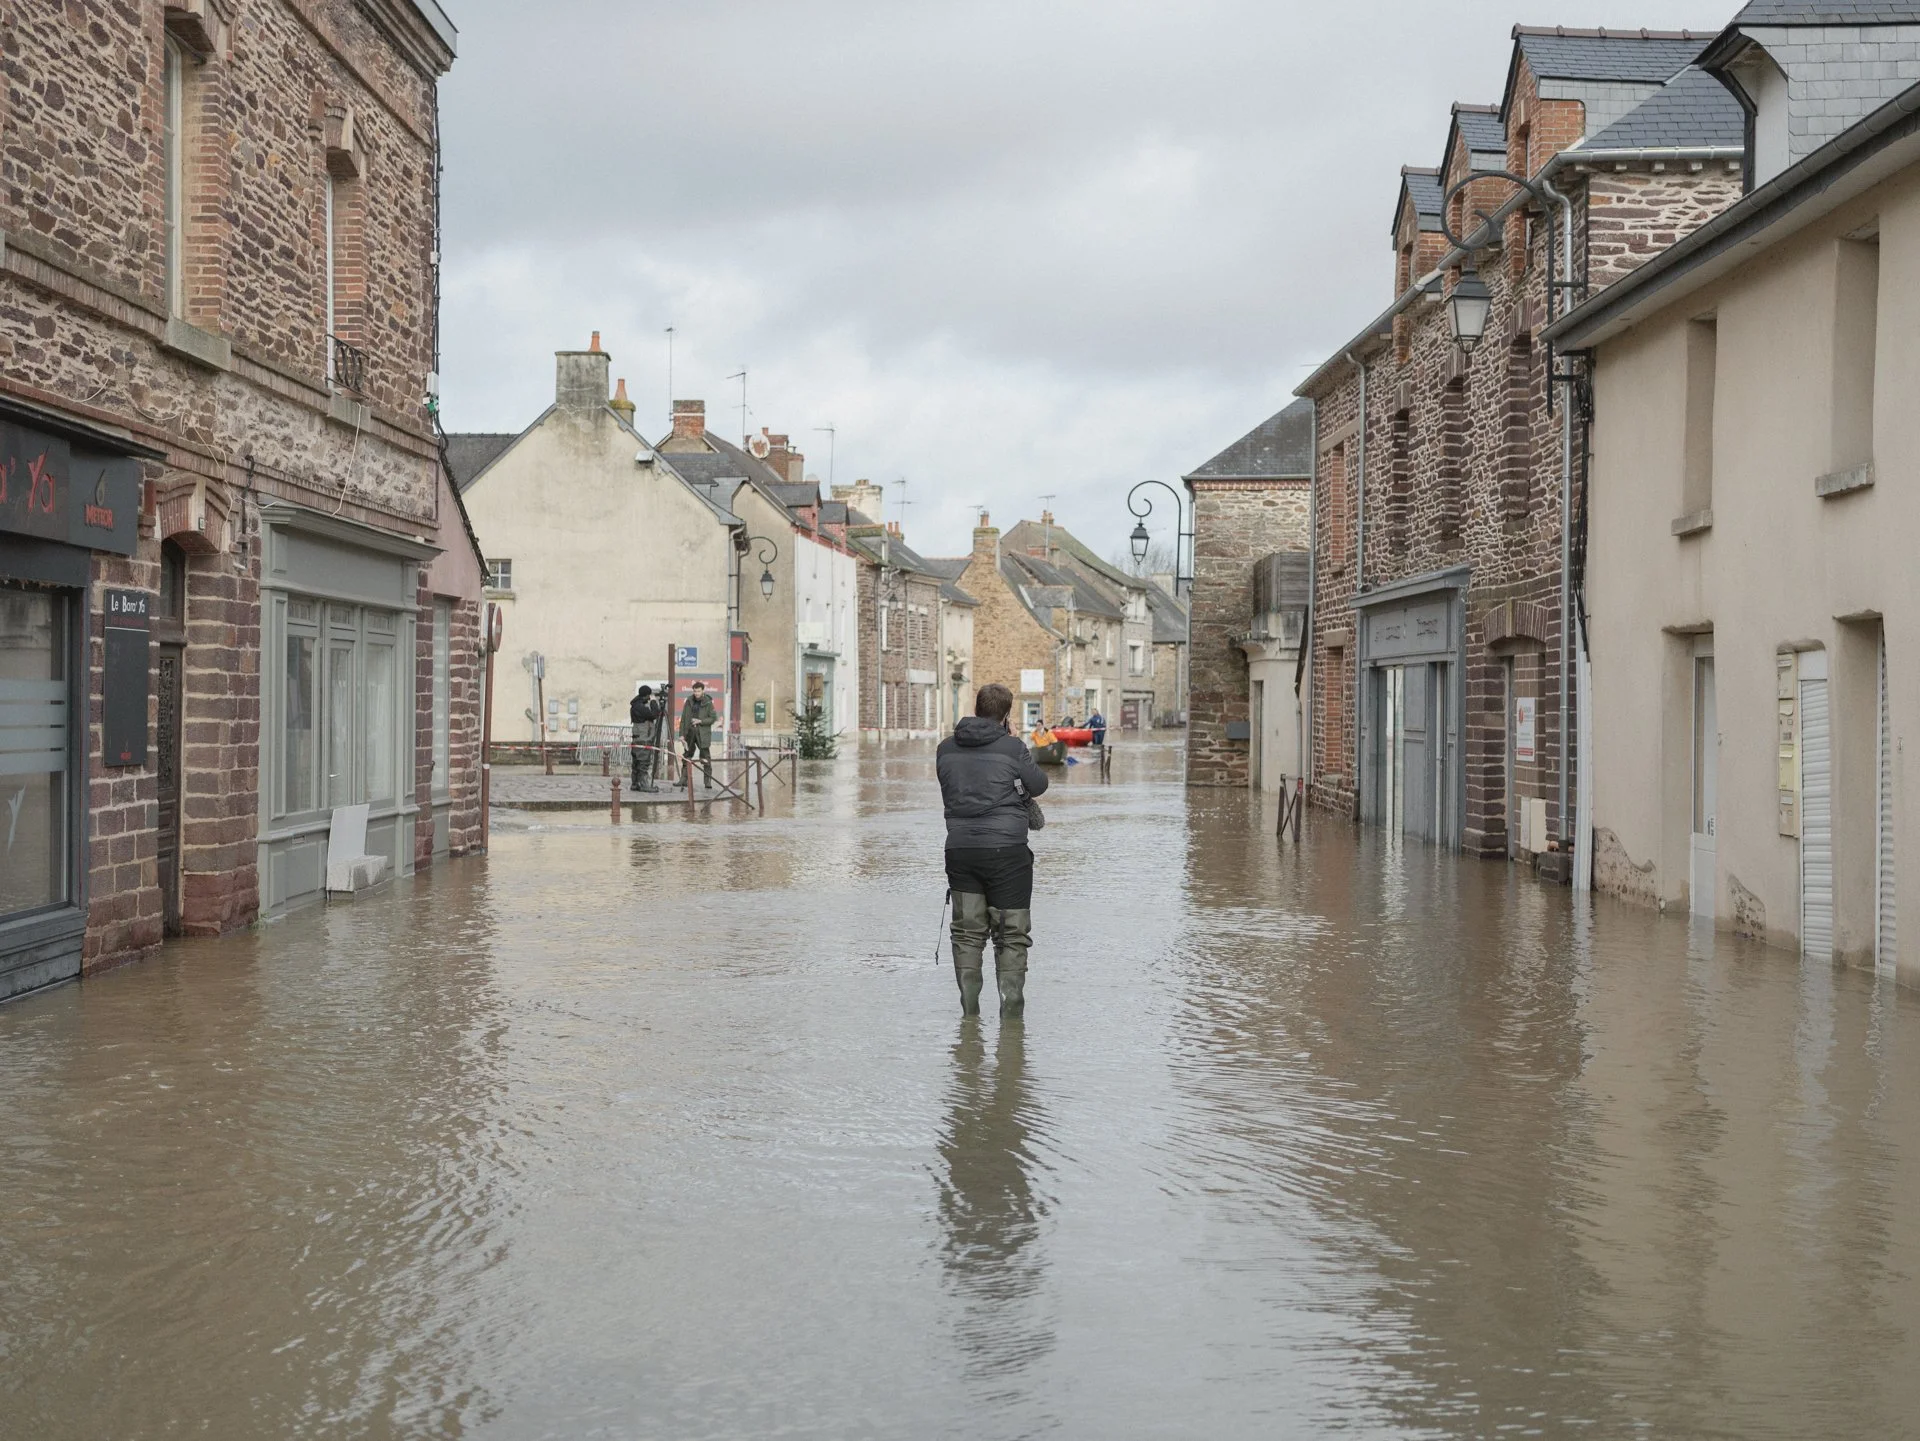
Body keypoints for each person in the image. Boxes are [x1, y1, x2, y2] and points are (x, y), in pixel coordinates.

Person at [936, 682, 1049, 1020]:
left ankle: (969, 1018)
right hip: (1007, 853)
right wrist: (1015, 741)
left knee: (967, 934)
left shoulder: (944, 749)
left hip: (960, 849)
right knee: (1011, 934)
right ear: (1006, 715)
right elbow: (1039, 785)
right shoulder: (1012, 748)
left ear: (976, 706)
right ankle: (1011, 1024)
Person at [679, 680, 717, 789]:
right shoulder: (689, 701)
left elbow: (713, 718)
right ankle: (683, 780)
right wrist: (681, 734)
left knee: (706, 757)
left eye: (698, 691)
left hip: (702, 733)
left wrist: (700, 721)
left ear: (703, 691)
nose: (696, 693)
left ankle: (707, 782)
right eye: (695, 691)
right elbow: (683, 719)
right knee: (687, 756)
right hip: (690, 732)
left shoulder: (708, 702)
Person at [629, 684, 662, 790]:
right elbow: (654, 715)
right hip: (644, 739)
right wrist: (653, 702)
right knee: (643, 762)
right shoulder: (640, 707)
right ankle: (644, 785)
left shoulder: (636, 704)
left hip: (638, 738)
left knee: (637, 763)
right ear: (646, 695)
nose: (649, 698)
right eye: (649, 696)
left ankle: (635, 784)